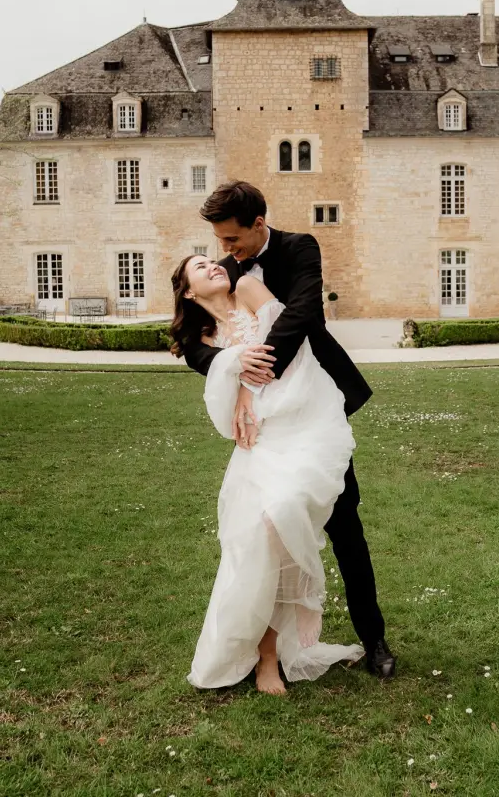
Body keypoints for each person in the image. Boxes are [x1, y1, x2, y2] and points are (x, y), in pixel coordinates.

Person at [181, 180, 396, 680]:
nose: (225, 251)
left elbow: (302, 314)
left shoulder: (301, 247)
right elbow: (195, 346)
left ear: (258, 224)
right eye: (219, 242)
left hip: (315, 406)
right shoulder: (225, 274)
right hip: (270, 422)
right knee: (267, 529)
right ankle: (265, 652)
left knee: (346, 526)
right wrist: (234, 366)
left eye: (232, 240)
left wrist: (254, 370)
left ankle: (374, 638)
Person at [171, 254, 364, 693]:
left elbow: (286, 343)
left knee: (285, 511)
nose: (213, 265)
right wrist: (237, 379)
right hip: (262, 439)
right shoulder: (203, 338)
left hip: (305, 418)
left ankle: (272, 649)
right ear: (188, 291)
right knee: (257, 537)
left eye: (212, 260)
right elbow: (218, 370)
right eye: (200, 268)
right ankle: (266, 656)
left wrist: (244, 386)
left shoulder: (249, 290)